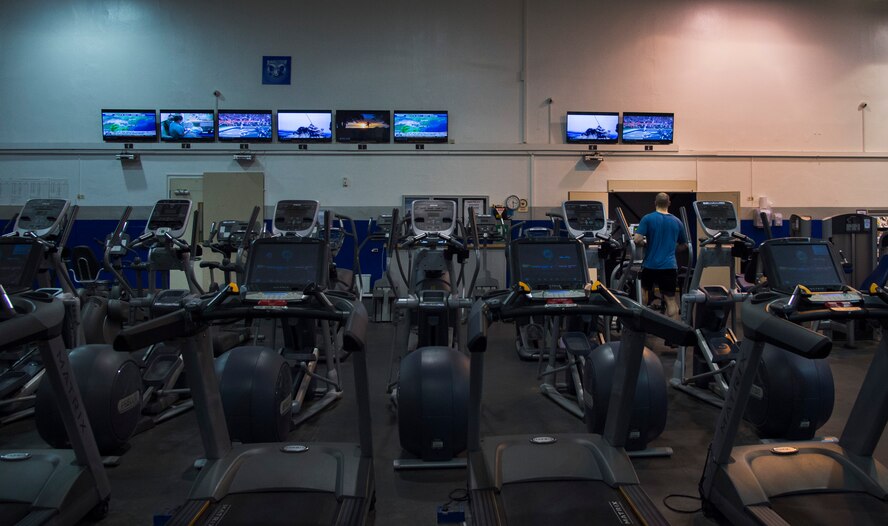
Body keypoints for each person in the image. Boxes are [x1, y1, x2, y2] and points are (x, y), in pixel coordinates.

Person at [633, 192, 688, 318]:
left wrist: (646, 244)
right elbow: (684, 245)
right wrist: (671, 249)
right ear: (669, 203)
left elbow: (637, 240)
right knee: (671, 300)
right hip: (669, 266)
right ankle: (673, 334)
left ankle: (641, 326)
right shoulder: (677, 221)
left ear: (655, 203)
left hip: (650, 265)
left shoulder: (647, 218)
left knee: (644, 293)